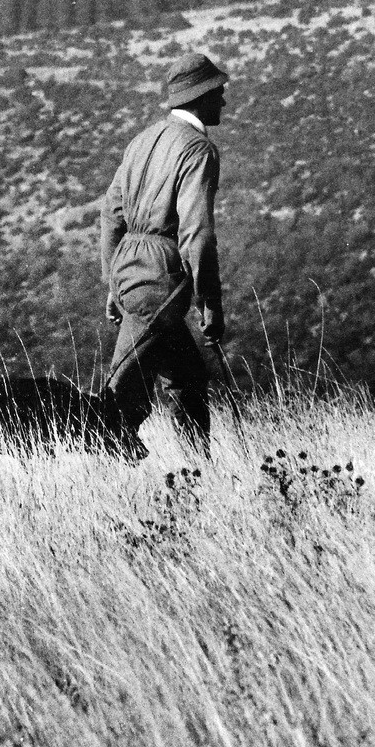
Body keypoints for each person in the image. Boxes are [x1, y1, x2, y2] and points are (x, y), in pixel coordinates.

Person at [100, 51, 228, 460]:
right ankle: (91, 476)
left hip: (131, 271)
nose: (223, 101)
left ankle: (197, 476)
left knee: (187, 380)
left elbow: (110, 215)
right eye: (219, 92)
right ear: (201, 96)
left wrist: (113, 283)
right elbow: (197, 233)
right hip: (162, 278)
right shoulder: (198, 149)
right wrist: (210, 301)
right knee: (120, 398)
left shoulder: (141, 142)